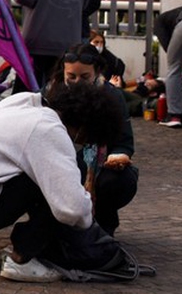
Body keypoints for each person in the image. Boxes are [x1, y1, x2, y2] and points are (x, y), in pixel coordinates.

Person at [0, 78, 127, 282]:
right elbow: (71, 208)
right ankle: (21, 259)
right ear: (85, 129)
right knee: (54, 183)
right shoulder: (50, 131)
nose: (83, 145)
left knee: (22, 170)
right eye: (88, 140)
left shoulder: (24, 101)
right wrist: (88, 225)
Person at [59, 44, 138, 233]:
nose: (77, 82)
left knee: (116, 181)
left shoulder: (112, 96)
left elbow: (124, 142)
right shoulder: (51, 93)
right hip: (60, 164)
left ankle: (103, 224)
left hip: (97, 169)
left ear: (97, 72)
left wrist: (117, 156)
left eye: (84, 77)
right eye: (71, 77)